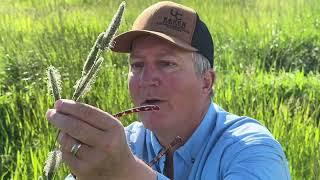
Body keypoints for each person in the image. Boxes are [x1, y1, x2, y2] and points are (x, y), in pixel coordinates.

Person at [46, 1, 291, 179]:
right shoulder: (122, 144)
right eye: (137, 65)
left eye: (167, 64)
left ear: (207, 82)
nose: (146, 79)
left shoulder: (252, 150)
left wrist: (128, 173)